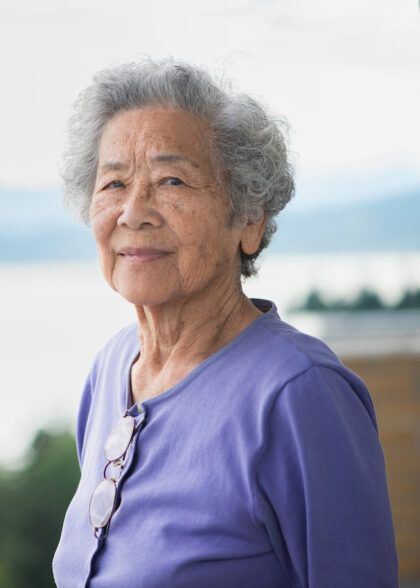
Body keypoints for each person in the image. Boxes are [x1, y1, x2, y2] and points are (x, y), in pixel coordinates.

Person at [51, 58, 398, 588]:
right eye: (114, 183)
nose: (134, 211)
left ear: (249, 219)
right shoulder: (112, 367)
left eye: (172, 180)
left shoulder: (299, 393)